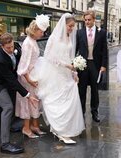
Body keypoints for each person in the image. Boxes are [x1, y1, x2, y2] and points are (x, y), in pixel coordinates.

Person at [30, 13, 85, 144]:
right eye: (70, 26)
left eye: (73, 26)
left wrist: (74, 72)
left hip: (67, 74)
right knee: (57, 101)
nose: (72, 29)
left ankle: (66, 129)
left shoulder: (69, 37)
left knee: (69, 101)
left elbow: (70, 55)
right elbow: (48, 56)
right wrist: (67, 65)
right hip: (56, 73)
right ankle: (59, 131)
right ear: (63, 25)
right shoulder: (54, 38)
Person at [0, 33, 39, 154]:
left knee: (13, 104)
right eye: (8, 48)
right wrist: (27, 95)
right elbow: (11, 79)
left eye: (12, 47)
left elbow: (19, 67)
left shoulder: (14, 50)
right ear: (1, 46)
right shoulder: (0, 59)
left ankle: (9, 127)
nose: (11, 50)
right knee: (8, 108)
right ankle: (4, 144)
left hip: (8, 83)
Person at [15, 14, 50, 138]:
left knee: (35, 101)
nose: (43, 34)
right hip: (27, 78)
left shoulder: (33, 41)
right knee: (28, 102)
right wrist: (29, 81)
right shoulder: (28, 43)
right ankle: (26, 128)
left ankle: (34, 125)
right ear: (35, 30)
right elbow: (23, 65)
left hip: (33, 75)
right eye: (41, 31)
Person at [76, 10, 108, 122]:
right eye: (85, 20)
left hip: (95, 65)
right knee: (82, 90)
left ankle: (95, 113)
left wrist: (103, 66)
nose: (87, 22)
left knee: (95, 90)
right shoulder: (79, 32)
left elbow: (105, 50)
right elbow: (76, 49)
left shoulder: (102, 32)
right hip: (82, 66)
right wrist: (74, 64)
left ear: (94, 19)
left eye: (89, 19)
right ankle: (81, 113)